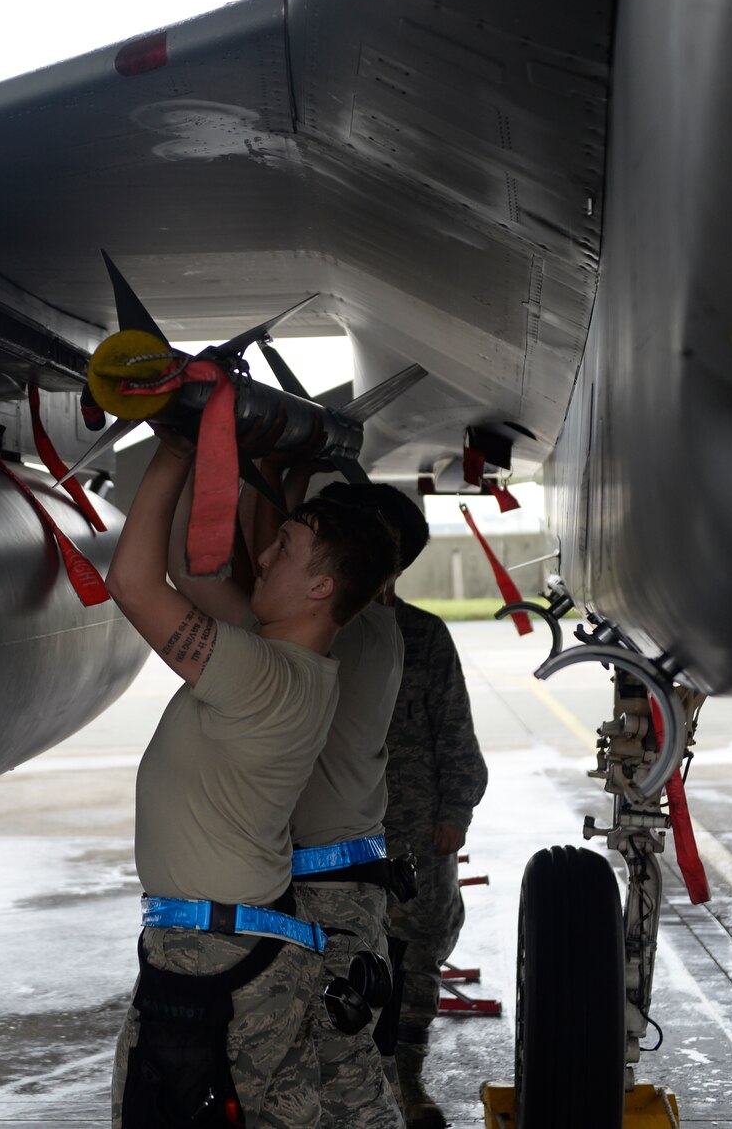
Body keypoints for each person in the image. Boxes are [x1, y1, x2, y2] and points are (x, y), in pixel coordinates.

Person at [107, 432, 402, 1129]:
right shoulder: (285, 660)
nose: (262, 556)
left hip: (213, 956)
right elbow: (190, 571)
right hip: (247, 946)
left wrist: (176, 448)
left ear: (322, 587)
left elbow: (134, 583)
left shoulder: (263, 676)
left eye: (285, 550)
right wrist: (228, 455)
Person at [180, 471, 414, 1129]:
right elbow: (267, 575)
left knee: (345, 1072)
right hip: (331, 881)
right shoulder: (367, 626)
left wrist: (263, 476)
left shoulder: (349, 632)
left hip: (331, 886)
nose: (272, 558)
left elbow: (238, 589)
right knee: (320, 1071)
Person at [377, 517, 488, 1129]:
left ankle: (407, 1079)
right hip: (340, 829)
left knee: (417, 958)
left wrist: (454, 812)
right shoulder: (325, 633)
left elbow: (454, 729)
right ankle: (355, 1073)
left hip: (418, 829)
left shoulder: (422, 635)